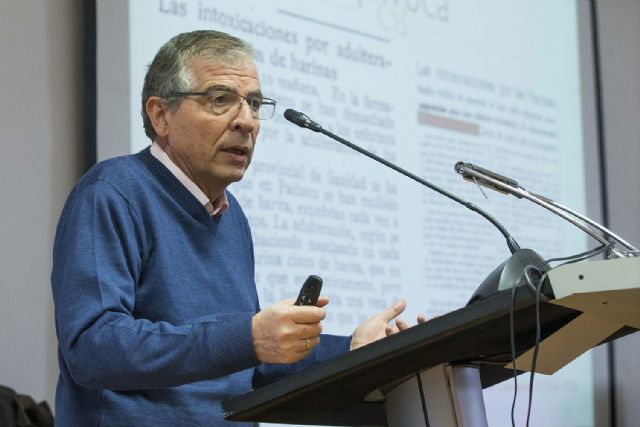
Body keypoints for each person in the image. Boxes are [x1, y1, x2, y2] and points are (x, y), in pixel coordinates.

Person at [51, 30, 417, 426]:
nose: (246, 121)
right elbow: (91, 348)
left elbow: (248, 364)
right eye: (220, 100)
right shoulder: (113, 192)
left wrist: (353, 349)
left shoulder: (230, 216)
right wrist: (248, 337)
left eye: (255, 104)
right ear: (160, 115)